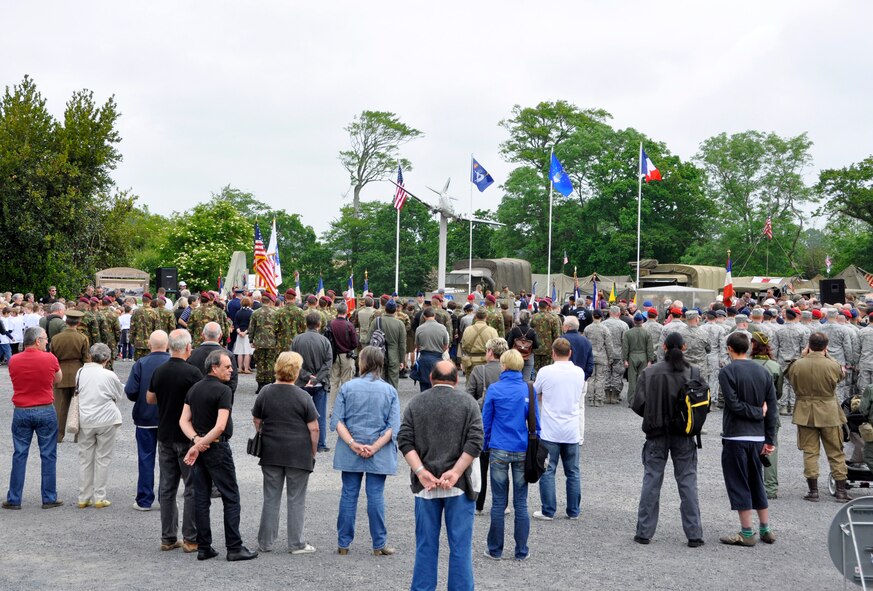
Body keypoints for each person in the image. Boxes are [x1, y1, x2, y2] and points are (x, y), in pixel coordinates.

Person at [397, 361, 484, 591]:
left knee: (425, 545)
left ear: (431, 378)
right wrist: (456, 471)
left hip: (426, 486)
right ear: (456, 380)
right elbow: (476, 441)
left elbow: (404, 440)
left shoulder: (416, 403)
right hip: (460, 485)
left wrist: (421, 471)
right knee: (460, 547)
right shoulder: (469, 404)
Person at [180, 350, 258, 562]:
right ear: (214, 367)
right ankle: (234, 547)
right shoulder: (223, 391)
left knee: (201, 498)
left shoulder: (194, 389)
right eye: (227, 367)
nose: (232, 371)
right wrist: (201, 443)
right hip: (216, 449)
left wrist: (196, 441)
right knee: (231, 497)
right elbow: (221, 425)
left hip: (200, 447)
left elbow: (183, 421)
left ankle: (204, 547)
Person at [631, 332, 704, 548]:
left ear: (663, 347)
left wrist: (653, 414)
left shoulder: (650, 372)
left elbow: (638, 404)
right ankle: (694, 534)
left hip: (656, 432)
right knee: (688, 482)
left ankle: (644, 532)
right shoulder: (694, 372)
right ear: (684, 347)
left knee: (651, 481)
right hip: (684, 434)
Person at [331, 346, 400, 556]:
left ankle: (344, 543)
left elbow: (337, 421)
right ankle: (379, 544)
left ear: (363, 363)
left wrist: (353, 443)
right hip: (378, 451)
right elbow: (393, 426)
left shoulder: (347, 387)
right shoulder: (390, 390)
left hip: (350, 449)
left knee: (349, 495)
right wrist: (375, 446)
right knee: (376, 496)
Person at [252, 352, 320, 554]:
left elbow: (257, 420)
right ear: (297, 371)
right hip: (298, 453)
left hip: (271, 451)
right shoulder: (303, 396)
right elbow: (314, 428)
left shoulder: (265, 392)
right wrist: (313, 452)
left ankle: (265, 542)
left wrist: (263, 432)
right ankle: (296, 543)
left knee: (271, 496)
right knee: (296, 498)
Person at [717, 331, 778, 546]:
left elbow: (732, 404)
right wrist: (770, 439)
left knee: (738, 482)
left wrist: (755, 412)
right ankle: (765, 528)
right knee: (756, 480)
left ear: (730, 349)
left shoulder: (727, 372)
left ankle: (746, 532)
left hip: (736, 435)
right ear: (749, 348)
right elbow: (772, 409)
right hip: (758, 436)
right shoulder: (763, 372)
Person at [147, 329, 203, 553]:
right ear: (188, 347)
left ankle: (168, 537)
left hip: (165, 434)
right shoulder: (193, 373)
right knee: (191, 487)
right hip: (187, 436)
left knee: (167, 488)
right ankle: (190, 538)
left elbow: (150, 399)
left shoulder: (159, 370)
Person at [481, 349, 538, 561]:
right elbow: (535, 423)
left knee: (498, 502)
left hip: (498, 448)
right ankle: (521, 550)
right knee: (521, 503)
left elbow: (486, 422)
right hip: (522, 448)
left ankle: (495, 549)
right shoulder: (527, 389)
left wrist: (485, 445)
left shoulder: (494, 389)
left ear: (503, 366)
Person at [785, 331, 850, 502]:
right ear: (826, 347)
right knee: (836, 451)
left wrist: (802, 356)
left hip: (805, 412)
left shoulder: (797, 364)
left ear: (808, 346)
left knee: (810, 452)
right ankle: (841, 491)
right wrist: (829, 358)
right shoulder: (833, 364)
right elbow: (841, 376)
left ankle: (813, 491)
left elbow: (788, 375)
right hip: (829, 411)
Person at [3, 327, 63, 510]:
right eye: (45, 339)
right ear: (37, 341)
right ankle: (49, 497)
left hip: (21, 409)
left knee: (19, 454)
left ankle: (14, 499)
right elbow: (58, 379)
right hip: (45, 409)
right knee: (48, 454)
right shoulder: (50, 358)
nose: (47, 342)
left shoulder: (14, 360)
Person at [533, 338, 587, 521]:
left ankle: (548, 510)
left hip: (550, 429)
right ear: (570, 353)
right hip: (571, 429)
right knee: (573, 472)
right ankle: (573, 511)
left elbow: (536, 393)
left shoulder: (545, 372)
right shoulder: (579, 372)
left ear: (553, 353)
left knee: (548, 469)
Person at [125, 330, 170, 511]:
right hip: (169, 418)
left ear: (150, 345)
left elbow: (130, 390)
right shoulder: (173, 363)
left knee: (145, 458)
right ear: (167, 345)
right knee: (168, 460)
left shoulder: (141, 363)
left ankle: (144, 499)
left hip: (145, 416)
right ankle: (166, 498)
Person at [76, 343, 124, 509]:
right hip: (106, 418)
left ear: (90, 356)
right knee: (103, 458)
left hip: (86, 419)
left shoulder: (80, 372)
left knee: (85, 459)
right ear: (107, 358)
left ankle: (83, 497)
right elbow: (119, 395)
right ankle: (100, 497)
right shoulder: (109, 375)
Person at [465, 338, 508, 515]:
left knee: (480, 466)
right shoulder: (508, 371)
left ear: (490, 352)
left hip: (483, 423)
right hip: (503, 424)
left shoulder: (479, 371)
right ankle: (502, 504)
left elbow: (469, 398)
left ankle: (478, 504)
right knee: (502, 468)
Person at [291, 312, 333, 452]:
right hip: (320, 383)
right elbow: (328, 363)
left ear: (305, 323)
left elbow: (294, 362)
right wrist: (316, 379)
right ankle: (320, 444)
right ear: (319, 324)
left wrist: (307, 376)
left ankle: (300, 441)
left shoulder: (297, 340)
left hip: (301, 382)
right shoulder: (325, 341)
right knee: (319, 414)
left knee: (300, 414)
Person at [749, 332, 783, 500]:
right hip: (770, 412)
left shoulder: (745, 365)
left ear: (752, 345)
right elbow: (778, 393)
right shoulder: (775, 367)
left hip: (749, 413)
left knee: (749, 449)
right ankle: (770, 488)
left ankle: (751, 485)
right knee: (771, 448)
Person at [50, 309, 90, 442]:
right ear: (78, 323)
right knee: (79, 406)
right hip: (78, 374)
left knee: (60, 407)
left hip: (59, 373)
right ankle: (78, 436)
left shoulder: (56, 338)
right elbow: (86, 359)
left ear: (66, 321)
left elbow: (52, 358)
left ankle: (58, 436)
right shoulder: (82, 338)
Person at [188, 322, 238, 394]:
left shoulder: (191, 354)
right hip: (221, 398)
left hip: (196, 397)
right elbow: (232, 381)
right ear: (220, 336)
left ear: (202, 335)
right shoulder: (228, 355)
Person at [328, 302, 359, 404]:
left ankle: (332, 408)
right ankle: (346, 406)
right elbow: (355, 343)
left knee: (333, 382)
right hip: (346, 355)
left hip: (333, 356)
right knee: (346, 383)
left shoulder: (331, 324)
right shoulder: (349, 325)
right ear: (346, 311)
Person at [622, 313, 655, 408]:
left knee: (632, 380)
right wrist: (650, 360)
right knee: (642, 380)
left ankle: (631, 401)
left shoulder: (628, 333)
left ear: (634, 321)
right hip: (643, 356)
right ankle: (641, 401)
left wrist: (625, 360)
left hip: (632, 356)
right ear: (642, 321)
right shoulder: (647, 333)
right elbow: (650, 348)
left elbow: (625, 348)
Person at [413, 307, 449, 392]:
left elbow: (417, 346)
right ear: (435, 315)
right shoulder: (442, 328)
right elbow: (446, 345)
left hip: (424, 359)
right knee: (437, 385)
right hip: (438, 359)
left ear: (424, 316)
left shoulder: (419, 328)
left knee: (424, 387)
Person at [460, 308, 498, 377]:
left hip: (471, 362)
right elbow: (496, 348)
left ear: (476, 317)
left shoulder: (467, 330)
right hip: (486, 362)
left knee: (471, 385)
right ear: (486, 317)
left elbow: (463, 346)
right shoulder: (492, 331)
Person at [506, 309, 540, 380]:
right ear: (529, 319)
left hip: (516, 357)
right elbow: (536, 345)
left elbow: (509, 343)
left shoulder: (514, 330)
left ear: (520, 318)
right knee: (526, 379)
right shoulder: (532, 331)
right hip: (528, 357)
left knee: (515, 379)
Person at [232, 296, 254, 374]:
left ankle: (240, 368)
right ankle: (246, 368)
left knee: (240, 352)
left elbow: (235, 322)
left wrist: (239, 331)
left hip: (239, 334)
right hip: (247, 334)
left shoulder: (238, 312)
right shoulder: (252, 312)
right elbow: (251, 324)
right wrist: (245, 332)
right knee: (247, 352)